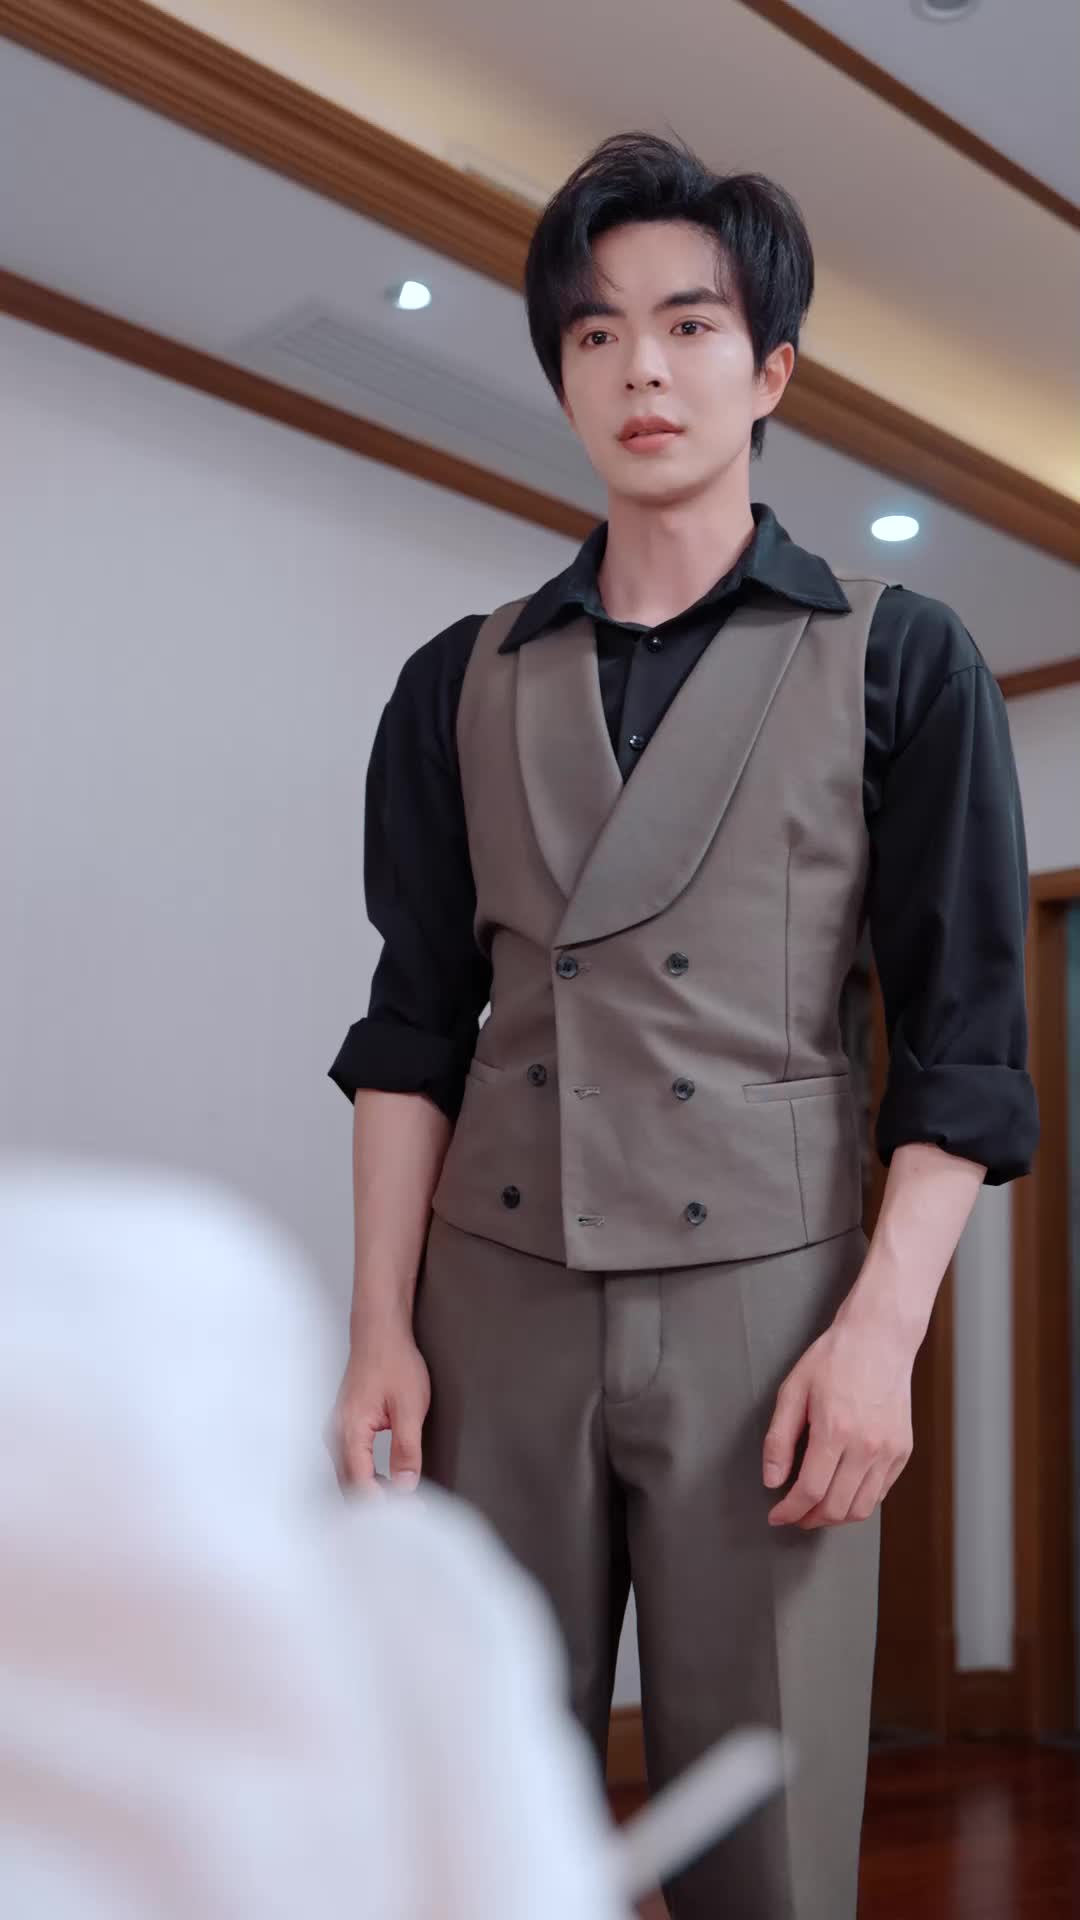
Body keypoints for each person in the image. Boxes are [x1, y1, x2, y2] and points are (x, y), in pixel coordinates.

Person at [330, 132, 1039, 1920]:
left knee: (764, 1839)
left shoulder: (902, 657)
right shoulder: (456, 681)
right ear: (563, 375)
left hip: (770, 1310)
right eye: (595, 334)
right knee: (483, 1822)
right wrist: (378, 1330)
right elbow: (412, 1029)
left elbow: (963, 1047)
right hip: (495, 1296)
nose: (641, 367)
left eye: (688, 324)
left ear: (770, 368)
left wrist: (882, 1335)